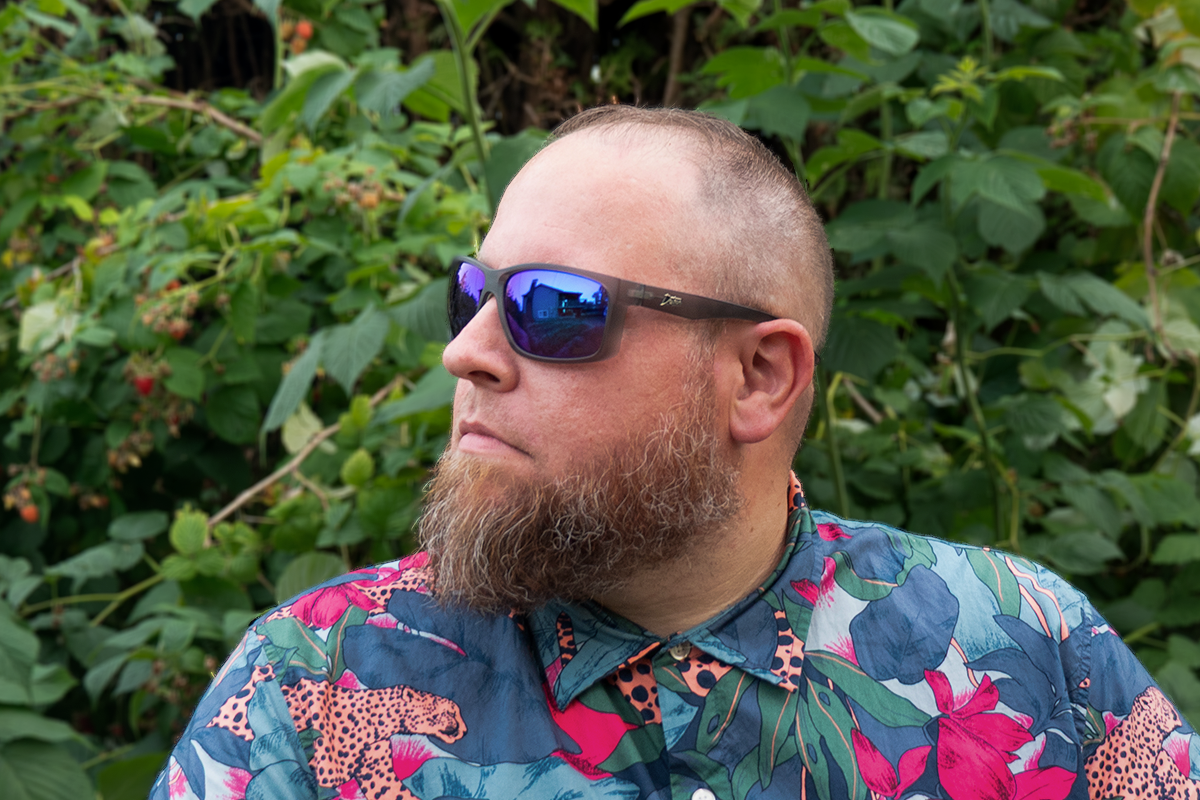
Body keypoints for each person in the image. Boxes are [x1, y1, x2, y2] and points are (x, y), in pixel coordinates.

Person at [150, 106, 1200, 800]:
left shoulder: (1027, 646)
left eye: (550, 308)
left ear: (759, 377)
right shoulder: (313, 681)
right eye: (475, 295)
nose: (464, 352)